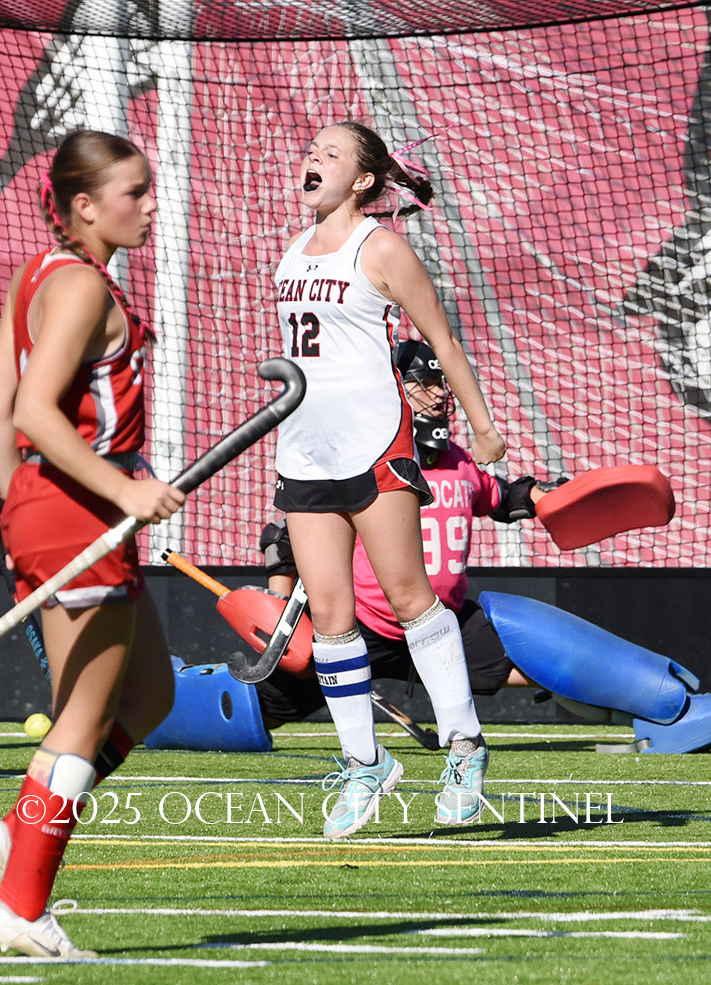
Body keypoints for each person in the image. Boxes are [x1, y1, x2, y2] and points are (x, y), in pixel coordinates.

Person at [0, 129, 183, 958]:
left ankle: (18, 829)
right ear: (84, 206)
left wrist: (9, 489)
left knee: (149, 694)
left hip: (56, 504)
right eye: (135, 192)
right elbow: (33, 410)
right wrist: (121, 488)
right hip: (78, 508)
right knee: (82, 720)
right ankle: (22, 905)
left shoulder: (37, 274)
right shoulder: (83, 287)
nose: (151, 205)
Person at [273, 122, 507, 836]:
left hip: (376, 444)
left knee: (410, 597)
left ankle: (464, 746)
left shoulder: (381, 248)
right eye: (311, 150)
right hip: (305, 452)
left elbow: (442, 338)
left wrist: (482, 424)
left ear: (365, 180)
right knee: (330, 616)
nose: (313, 159)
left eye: (331, 154)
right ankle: (363, 761)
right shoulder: (292, 251)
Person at [258, 338, 549, 738]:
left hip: (440, 623)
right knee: (262, 708)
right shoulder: (364, 459)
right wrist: (278, 618)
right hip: (365, 625)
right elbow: (283, 541)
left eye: (440, 383)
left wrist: (544, 496)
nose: (438, 394)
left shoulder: (459, 461)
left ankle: (613, 695)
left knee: (543, 665)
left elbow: (506, 498)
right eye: (424, 383)